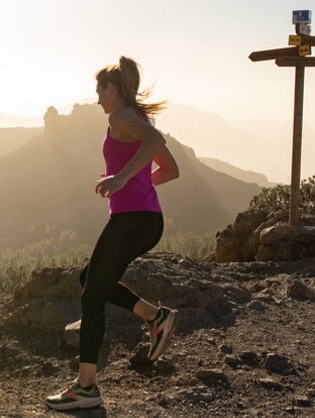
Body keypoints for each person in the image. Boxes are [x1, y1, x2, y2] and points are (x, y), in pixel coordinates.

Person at [46, 56, 180, 411]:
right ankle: (155, 316)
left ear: (113, 88)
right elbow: (170, 169)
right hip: (146, 219)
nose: (96, 98)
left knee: (91, 297)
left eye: (99, 90)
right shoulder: (136, 118)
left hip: (131, 220)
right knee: (90, 278)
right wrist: (134, 182)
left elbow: (157, 141)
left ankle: (86, 387)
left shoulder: (120, 117)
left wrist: (121, 179)